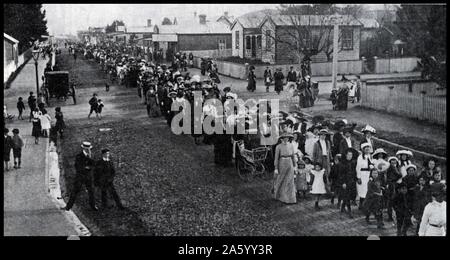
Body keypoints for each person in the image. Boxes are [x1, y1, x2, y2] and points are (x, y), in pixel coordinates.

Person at [63, 141, 98, 211]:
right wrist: (86, 167)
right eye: (87, 149)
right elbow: (77, 167)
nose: (88, 150)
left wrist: (89, 160)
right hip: (80, 177)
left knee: (91, 191)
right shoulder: (79, 156)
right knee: (75, 191)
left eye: (89, 149)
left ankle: (93, 206)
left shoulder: (91, 156)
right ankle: (68, 206)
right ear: (84, 149)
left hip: (88, 177)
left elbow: (94, 165)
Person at [273, 132, 297, 204]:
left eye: (287, 137)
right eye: (284, 138)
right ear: (282, 139)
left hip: (289, 162)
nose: (286, 139)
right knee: (281, 179)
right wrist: (276, 168)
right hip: (282, 162)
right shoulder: (278, 147)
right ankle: (279, 196)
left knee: (290, 180)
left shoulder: (291, 145)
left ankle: (290, 198)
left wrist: (295, 165)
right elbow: (276, 158)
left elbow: (293, 156)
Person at [337, 148, 358, 218]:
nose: (350, 156)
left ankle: (342, 208)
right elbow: (340, 174)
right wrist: (343, 183)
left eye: (351, 155)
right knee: (347, 196)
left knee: (348, 196)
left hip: (351, 181)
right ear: (346, 155)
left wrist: (355, 179)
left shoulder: (353, 163)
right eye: (349, 155)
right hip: (345, 182)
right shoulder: (342, 163)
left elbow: (354, 172)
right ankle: (349, 211)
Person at [356, 142, 374, 210]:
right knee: (362, 190)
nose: (367, 149)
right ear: (363, 149)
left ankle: (367, 205)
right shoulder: (360, 157)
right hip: (363, 174)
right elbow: (358, 167)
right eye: (365, 148)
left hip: (369, 174)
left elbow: (372, 164)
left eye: (368, 148)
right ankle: (361, 205)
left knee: (368, 190)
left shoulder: (370, 156)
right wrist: (358, 177)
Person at [385, 156, 402, 221]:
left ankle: (396, 215)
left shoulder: (397, 168)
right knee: (390, 201)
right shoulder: (389, 169)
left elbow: (400, 175)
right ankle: (390, 216)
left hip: (396, 185)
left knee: (396, 201)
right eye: (392, 162)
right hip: (391, 185)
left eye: (395, 162)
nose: (393, 163)